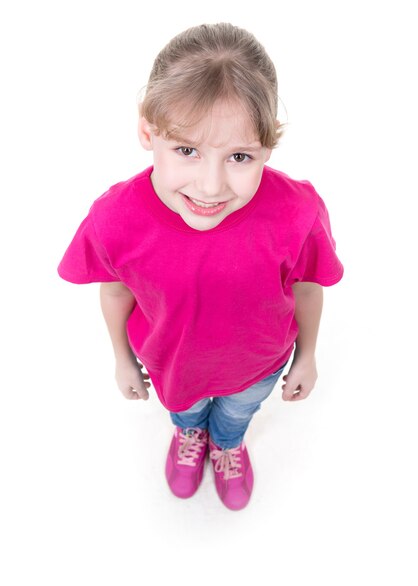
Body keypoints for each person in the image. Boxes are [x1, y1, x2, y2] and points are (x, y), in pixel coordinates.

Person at [57, 22, 344, 511]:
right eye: (186, 150)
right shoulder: (114, 219)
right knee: (187, 415)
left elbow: (308, 290)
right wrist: (123, 358)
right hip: (171, 366)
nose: (211, 187)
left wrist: (308, 355)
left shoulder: (298, 212)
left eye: (239, 156)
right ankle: (191, 437)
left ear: (267, 146)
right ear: (148, 132)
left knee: (235, 417)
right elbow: (114, 291)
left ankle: (228, 444)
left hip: (257, 367)